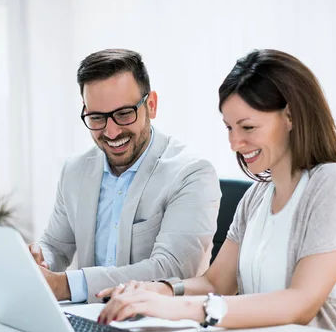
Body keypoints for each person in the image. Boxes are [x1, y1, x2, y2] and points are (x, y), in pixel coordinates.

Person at [97, 49, 336, 332]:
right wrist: (159, 290)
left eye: (248, 127)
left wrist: (178, 308)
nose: (234, 143)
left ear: (290, 116)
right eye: (229, 127)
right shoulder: (257, 196)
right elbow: (216, 282)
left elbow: (301, 303)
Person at [29, 49, 221, 304]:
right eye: (97, 117)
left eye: (123, 114)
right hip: (89, 316)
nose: (111, 131)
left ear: (151, 105)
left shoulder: (192, 173)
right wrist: (38, 261)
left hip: (161, 325)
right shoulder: (74, 170)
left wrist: (65, 286)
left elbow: (171, 270)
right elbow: (56, 243)